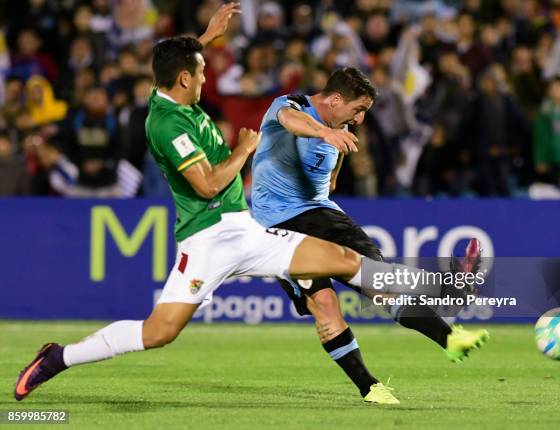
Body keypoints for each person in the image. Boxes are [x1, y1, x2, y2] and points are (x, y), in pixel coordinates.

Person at [14, 3, 485, 406]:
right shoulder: (168, 126)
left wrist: (206, 38)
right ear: (184, 80)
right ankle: (59, 357)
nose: (206, 77)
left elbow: (174, 65)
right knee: (158, 333)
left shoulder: (174, 92)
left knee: (347, 261)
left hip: (248, 230)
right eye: (200, 72)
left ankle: (444, 289)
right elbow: (204, 185)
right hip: (207, 240)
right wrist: (243, 151)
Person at [250, 66, 489, 402]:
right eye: (357, 109)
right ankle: (369, 386)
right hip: (279, 227)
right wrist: (323, 134)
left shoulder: (340, 125)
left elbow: (335, 161)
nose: (359, 120)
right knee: (325, 304)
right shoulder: (288, 106)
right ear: (334, 100)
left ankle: (450, 339)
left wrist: (333, 166)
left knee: (382, 284)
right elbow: (293, 122)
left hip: (323, 215)